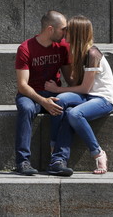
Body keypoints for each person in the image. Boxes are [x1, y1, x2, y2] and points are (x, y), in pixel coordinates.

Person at [44, 15, 113, 176]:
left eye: (68, 30)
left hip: (103, 99)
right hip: (89, 96)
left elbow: (84, 88)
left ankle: (98, 153)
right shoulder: (78, 52)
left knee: (74, 113)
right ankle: (55, 149)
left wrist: (56, 89)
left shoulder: (93, 54)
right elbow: (76, 85)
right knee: (59, 101)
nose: (64, 33)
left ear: (76, 33)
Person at [14, 10, 72, 175]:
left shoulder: (63, 47)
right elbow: (22, 85)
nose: (66, 33)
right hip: (30, 95)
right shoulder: (26, 48)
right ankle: (22, 161)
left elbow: (71, 78)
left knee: (64, 106)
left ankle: (58, 160)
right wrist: (42, 101)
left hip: (54, 93)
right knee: (26, 109)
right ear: (50, 29)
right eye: (63, 29)